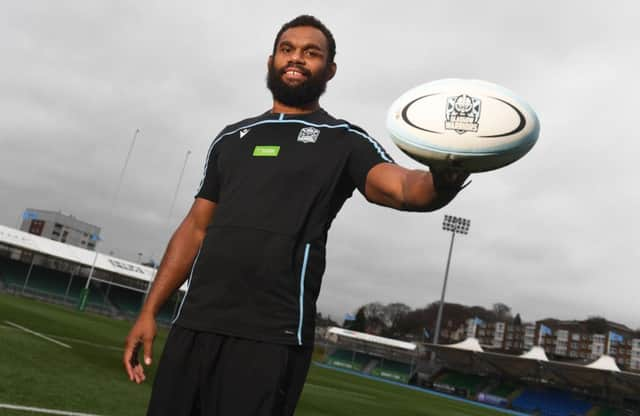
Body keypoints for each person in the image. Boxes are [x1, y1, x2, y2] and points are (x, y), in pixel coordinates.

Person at [123, 14, 469, 416]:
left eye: (311, 52)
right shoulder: (232, 137)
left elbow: (405, 189)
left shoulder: (345, 140)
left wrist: (445, 174)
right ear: (271, 60)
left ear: (330, 69)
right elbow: (195, 228)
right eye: (287, 49)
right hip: (194, 324)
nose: (296, 58)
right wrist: (149, 311)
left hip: (272, 336)